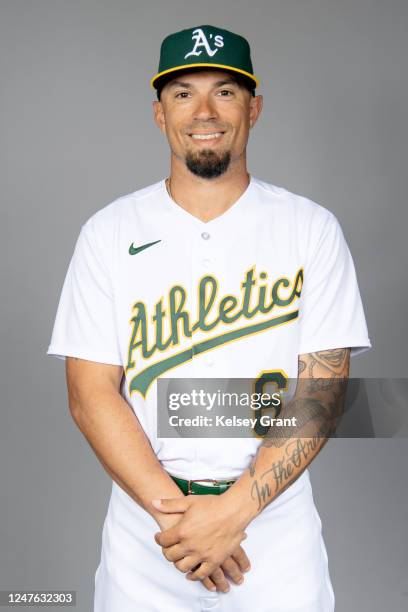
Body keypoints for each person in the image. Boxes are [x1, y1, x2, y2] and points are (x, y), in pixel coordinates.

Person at [47, 24, 371, 612]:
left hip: (274, 530)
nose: (204, 111)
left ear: (254, 107)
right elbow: (89, 392)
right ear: (158, 113)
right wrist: (183, 523)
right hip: (149, 530)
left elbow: (322, 388)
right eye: (182, 93)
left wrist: (234, 512)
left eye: (224, 91)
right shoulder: (108, 232)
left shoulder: (310, 228)